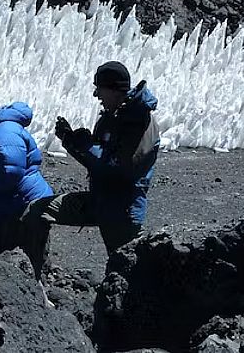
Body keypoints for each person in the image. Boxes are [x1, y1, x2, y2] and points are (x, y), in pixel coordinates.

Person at [34, 61, 160, 255]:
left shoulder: (139, 122)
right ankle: (31, 276)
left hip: (123, 210)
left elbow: (121, 168)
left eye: (99, 88)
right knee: (40, 210)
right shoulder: (112, 117)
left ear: (115, 90)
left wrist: (85, 145)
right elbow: (97, 164)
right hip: (101, 201)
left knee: (122, 269)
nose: (96, 95)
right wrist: (70, 140)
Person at [0, 84, 54, 279]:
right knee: (24, 265)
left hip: (23, 209)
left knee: (20, 268)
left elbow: (9, 173)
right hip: (21, 206)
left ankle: (36, 304)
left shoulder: (3, 133)